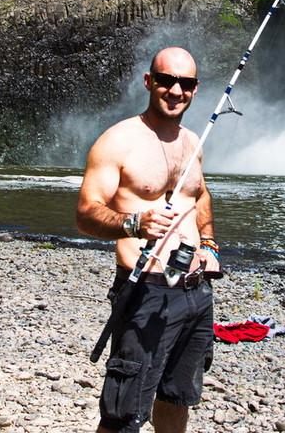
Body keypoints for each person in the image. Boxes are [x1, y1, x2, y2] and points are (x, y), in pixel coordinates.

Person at [76, 46, 220, 433]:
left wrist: (209, 244)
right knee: (124, 411)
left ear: (195, 88)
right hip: (146, 291)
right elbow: (86, 213)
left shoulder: (193, 141)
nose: (176, 90)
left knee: (177, 397)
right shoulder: (117, 141)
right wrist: (134, 223)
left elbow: (200, 194)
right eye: (166, 80)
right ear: (148, 81)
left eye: (185, 83)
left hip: (196, 290)